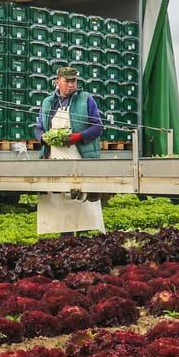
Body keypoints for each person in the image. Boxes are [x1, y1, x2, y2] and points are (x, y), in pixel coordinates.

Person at [34, 65, 105, 235]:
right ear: (57, 81)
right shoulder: (48, 102)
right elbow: (38, 127)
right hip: (55, 159)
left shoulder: (86, 100)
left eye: (74, 81)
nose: (71, 84)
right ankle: (64, 240)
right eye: (67, 81)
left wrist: (78, 137)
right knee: (58, 202)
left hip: (79, 158)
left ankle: (83, 240)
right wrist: (43, 138)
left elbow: (98, 127)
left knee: (82, 202)